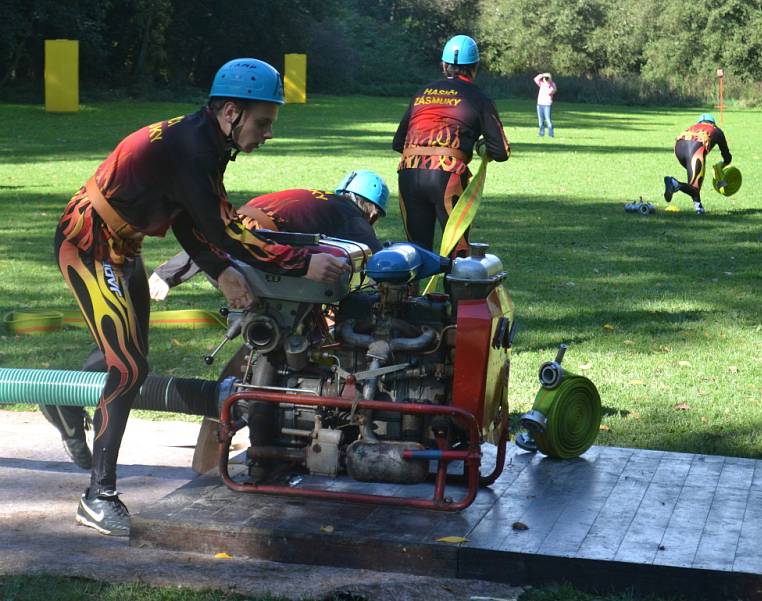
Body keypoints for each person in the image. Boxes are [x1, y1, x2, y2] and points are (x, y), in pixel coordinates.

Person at [51, 57, 348, 537]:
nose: (268, 133)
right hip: (88, 243)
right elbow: (223, 229)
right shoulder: (192, 147)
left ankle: (61, 401)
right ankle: (97, 496)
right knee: (127, 369)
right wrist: (299, 262)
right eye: (263, 122)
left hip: (120, 245)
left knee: (128, 363)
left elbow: (189, 218)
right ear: (231, 112)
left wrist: (220, 270)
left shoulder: (202, 140)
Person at [147, 170, 389, 299]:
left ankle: (164, 275)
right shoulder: (351, 214)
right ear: (373, 212)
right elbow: (381, 264)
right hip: (254, 243)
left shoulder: (324, 201)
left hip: (232, 230)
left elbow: (231, 229)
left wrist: (168, 272)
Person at [392, 34, 510, 258]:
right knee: (458, 253)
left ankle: (409, 294)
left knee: (416, 253)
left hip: (408, 173)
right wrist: (478, 145)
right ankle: (456, 294)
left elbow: (398, 143)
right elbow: (500, 152)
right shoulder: (479, 97)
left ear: (443, 65)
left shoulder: (422, 93)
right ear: (474, 67)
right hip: (447, 175)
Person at [663, 113, 732, 215]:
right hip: (695, 149)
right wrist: (723, 165)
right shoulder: (717, 130)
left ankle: (698, 207)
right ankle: (675, 184)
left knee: (694, 183)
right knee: (695, 188)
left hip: (678, 148)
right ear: (713, 123)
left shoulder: (693, 127)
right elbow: (726, 155)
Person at [533, 72, 556, 137]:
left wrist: (549, 83)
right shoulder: (542, 84)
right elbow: (535, 79)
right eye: (545, 78)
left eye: (547, 78)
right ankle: (541, 133)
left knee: (548, 119)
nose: (545, 79)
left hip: (547, 104)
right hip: (540, 104)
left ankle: (551, 134)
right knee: (540, 120)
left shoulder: (552, 84)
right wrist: (542, 75)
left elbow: (551, 92)